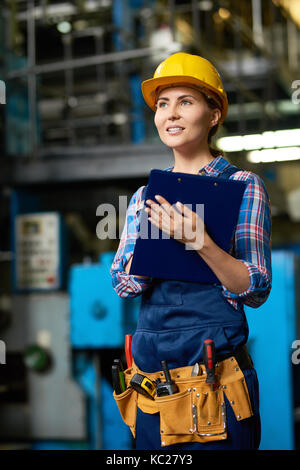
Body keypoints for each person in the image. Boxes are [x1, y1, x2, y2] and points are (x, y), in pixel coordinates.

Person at [110, 52, 272, 450]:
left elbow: (255, 288)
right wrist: (157, 240)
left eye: (186, 102)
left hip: (217, 385)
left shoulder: (244, 186)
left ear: (213, 115)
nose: (171, 114)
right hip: (153, 384)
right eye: (163, 104)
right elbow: (123, 283)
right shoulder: (144, 197)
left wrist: (201, 242)